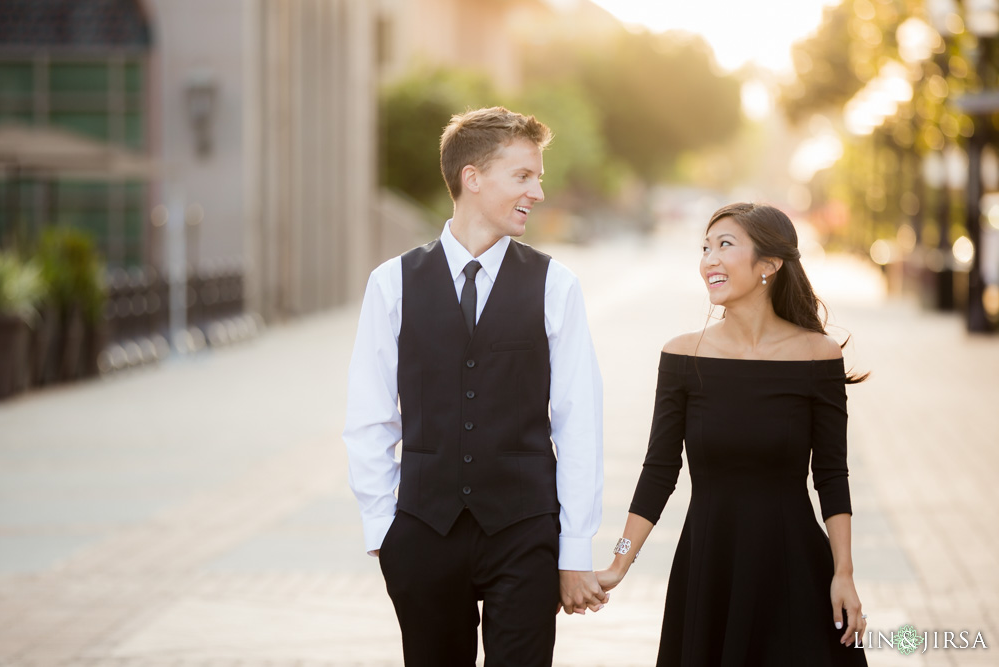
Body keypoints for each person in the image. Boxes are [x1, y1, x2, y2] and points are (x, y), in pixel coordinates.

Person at [343, 106, 606, 667]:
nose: (538, 190)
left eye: (538, 176)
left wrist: (574, 549)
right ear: (472, 177)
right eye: (524, 176)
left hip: (525, 532)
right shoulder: (392, 283)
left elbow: (578, 422)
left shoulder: (555, 285)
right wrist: (383, 529)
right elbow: (370, 416)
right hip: (423, 532)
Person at [596, 202, 869, 666]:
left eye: (725, 246)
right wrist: (620, 560)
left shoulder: (817, 356)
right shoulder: (683, 356)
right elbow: (659, 471)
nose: (709, 261)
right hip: (710, 564)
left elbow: (831, 474)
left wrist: (843, 572)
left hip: (792, 566)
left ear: (769, 264)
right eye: (705, 248)